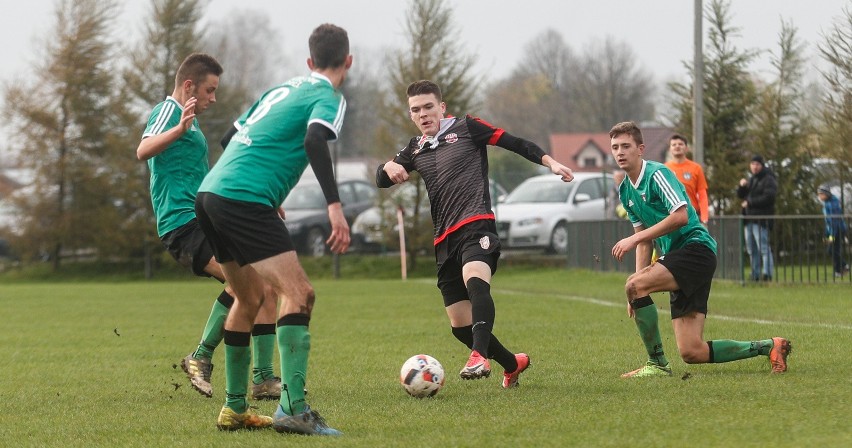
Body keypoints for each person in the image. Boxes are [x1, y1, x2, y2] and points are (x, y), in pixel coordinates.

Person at [195, 23, 352, 435]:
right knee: (300, 294)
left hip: (209, 194)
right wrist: (334, 207)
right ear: (347, 62)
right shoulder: (328, 95)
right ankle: (293, 410)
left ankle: (233, 409)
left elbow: (231, 136)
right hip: (244, 199)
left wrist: (264, 185)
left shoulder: (280, 90)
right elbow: (316, 140)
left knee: (248, 299)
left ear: (308, 61)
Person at [376, 80, 574, 389]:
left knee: (477, 283)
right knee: (459, 326)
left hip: (477, 225)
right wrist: (388, 166)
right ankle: (513, 363)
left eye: (429, 107)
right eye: (416, 110)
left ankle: (478, 356)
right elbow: (381, 180)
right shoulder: (415, 147)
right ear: (411, 114)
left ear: (441, 107)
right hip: (444, 240)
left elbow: (516, 143)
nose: (424, 114)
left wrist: (550, 162)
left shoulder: (468, 127)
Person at [135, 53, 280, 401]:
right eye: (209, 90)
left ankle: (262, 379)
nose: (214, 98)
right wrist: (178, 129)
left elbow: (204, 177)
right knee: (244, 282)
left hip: (204, 220)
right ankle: (201, 357)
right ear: (189, 86)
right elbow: (143, 150)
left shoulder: (190, 121)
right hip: (181, 224)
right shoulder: (169, 111)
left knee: (266, 286)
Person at [608, 121, 791, 378]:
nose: (620, 152)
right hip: (678, 257)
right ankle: (770, 347)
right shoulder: (625, 190)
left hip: (696, 250)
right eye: (615, 147)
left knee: (635, 285)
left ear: (640, 149)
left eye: (625, 146)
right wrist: (636, 291)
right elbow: (643, 239)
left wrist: (635, 279)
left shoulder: (657, 174)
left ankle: (658, 364)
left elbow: (681, 216)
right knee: (692, 352)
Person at [736, 154, 777, 281]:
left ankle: (767, 274)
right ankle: (755, 274)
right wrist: (742, 186)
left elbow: (769, 197)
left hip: (761, 219)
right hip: (749, 219)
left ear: (762, 165)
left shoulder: (768, 179)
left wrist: (750, 202)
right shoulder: (752, 179)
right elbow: (741, 195)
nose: (754, 167)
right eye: (753, 164)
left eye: (757, 164)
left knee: (763, 247)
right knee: (751, 249)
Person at [665, 134, 709, 225]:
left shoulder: (696, 168)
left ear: (686, 148)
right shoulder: (664, 169)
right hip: (670, 215)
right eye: (674, 144)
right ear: (670, 149)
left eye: (680, 144)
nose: (677, 146)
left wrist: (704, 218)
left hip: (692, 215)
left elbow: (702, 194)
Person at [818, 185, 849, 278]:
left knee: (832, 250)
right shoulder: (827, 203)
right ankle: (840, 269)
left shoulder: (831, 204)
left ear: (826, 194)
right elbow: (828, 222)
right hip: (833, 230)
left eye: (821, 194)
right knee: (833, 250)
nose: (819, 196)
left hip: (838, 230)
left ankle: (842, 268)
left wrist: (831, 236)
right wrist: (828, 234)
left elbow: (834, 222)